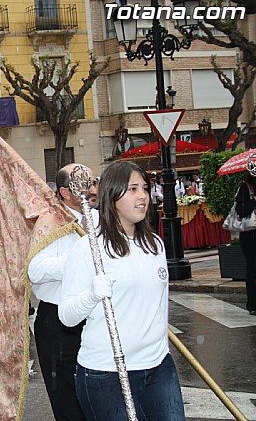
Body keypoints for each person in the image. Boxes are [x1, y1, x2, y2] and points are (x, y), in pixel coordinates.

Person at [58, 161, 185, 421]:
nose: (143, 196)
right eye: (133, 189)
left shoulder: (155, 245)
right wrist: (92, 295)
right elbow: (67, 316)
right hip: (106, 373)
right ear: (112, 195)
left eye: (145, 188)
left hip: (158, 367)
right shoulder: (88, 249)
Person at [27, 162, 98, 421]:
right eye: (83, 183)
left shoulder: (101, 219)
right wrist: (79, 260)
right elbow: (35, 270)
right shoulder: (50, 221)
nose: (92, 189)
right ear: (65, 192)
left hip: (95, 318)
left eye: (93, 182)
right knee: (68, 402)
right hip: (58, 324)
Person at [235, 172, 256, 315]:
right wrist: (254, 201)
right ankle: (253, 303)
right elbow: (241, 210)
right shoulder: (245, 189)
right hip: (250, 235)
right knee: (253, 269)